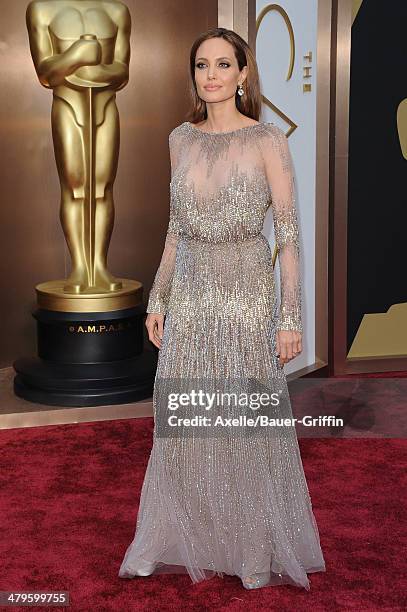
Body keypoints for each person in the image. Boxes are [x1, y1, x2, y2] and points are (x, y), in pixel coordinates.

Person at [119, 27, 326, 591]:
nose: (211, 75)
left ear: (243, 75)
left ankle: (252, 549)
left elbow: (287, 237)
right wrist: (157, 297)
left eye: (222, 65)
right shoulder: (179, 139)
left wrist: (290, 317)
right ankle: (172, 536)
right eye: (202, 65)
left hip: (247, 295)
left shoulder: (267, 141)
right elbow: (174, 229)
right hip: (191, 294)